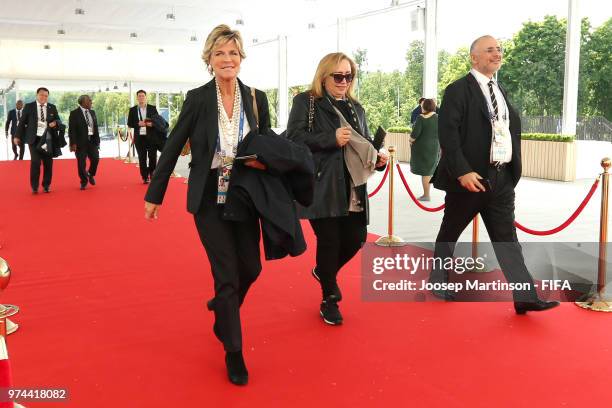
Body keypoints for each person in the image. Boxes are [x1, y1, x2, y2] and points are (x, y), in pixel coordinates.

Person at [143, 24, 273, 386]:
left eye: (233, 52)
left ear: (241, 58)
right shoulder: (198, 98)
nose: (227, 59)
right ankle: (233, 349)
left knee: (251, 268)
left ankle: (222, 310)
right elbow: (173, 144)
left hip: (246, 193)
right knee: (227, 274)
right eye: (220, 53)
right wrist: (155, 193)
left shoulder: (257, 98)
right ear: (209, 59)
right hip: (208, 196)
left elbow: (267, 142)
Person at [429, 35, 559, 314]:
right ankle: (437, 280)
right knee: (450, 232)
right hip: (470, 180)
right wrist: (462, 171)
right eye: (489, 50)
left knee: (508, 240)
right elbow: (448, 135)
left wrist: (510, 173)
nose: (497, 54)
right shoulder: (457, 90)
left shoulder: (500, 89)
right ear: (474, 57)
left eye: (498, 49)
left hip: (501, 179)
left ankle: (525, 296)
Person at [286, 52, 388, 326]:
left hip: (354, 187)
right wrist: (328, 139)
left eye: (349, 76)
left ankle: (323, 271)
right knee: (329, 241)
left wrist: (377, 159)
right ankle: (329, 298)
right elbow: (292, 138)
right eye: (338, 75)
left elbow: (363, 144)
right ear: (324, 75)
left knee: (357, 238)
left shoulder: (356, 108)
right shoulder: (307, 102)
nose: (344, 81)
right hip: (322, 184)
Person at [14, 87, 62, 193]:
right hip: (34, 139)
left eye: (46, 95)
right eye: (41, 95)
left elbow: (58, 120)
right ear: (37, 95)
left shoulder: (52, 107)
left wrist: (55, 123)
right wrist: (17, 136)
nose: (43, 97)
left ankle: (46, 185)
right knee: (35, 162)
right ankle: (34, 187)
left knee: (48, 163)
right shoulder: (29, 106)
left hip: (47, 139)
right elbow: (22, 122)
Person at [410, 98, 439, 201]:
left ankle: (426, 195)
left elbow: (414, 135)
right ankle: (427, 193)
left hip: (423, 150)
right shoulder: (438, 118)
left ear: (424, 107)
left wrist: (410, 140)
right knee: (429, 171)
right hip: (435, 148)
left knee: (425, 173)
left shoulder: (421, 118)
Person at [68, 95, 100, 190]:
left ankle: (90, 174)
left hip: (92, 141)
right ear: (82, 102)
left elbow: (96, 127)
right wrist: (72, 143)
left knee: (95, 159)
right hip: (80, 143)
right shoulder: (74, 113)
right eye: (89, 100)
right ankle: (83, 181)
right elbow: (72, 130)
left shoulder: (92, 112)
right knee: (81, 163)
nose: (91, 101)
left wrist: (97, 141)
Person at [128, 90, 159, 183]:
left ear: (146, 97)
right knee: (142, 158)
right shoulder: (133, 110)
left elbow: (157, 121)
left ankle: (152, 173)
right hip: (139, 138)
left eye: (143, 96)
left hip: (151, 137)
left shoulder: (152, 108)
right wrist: (138, 124)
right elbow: (129, 123)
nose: (141, 97)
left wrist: (147, 123)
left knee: (153, 157)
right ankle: (144, 177)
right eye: (139, 96)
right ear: (137, 98)